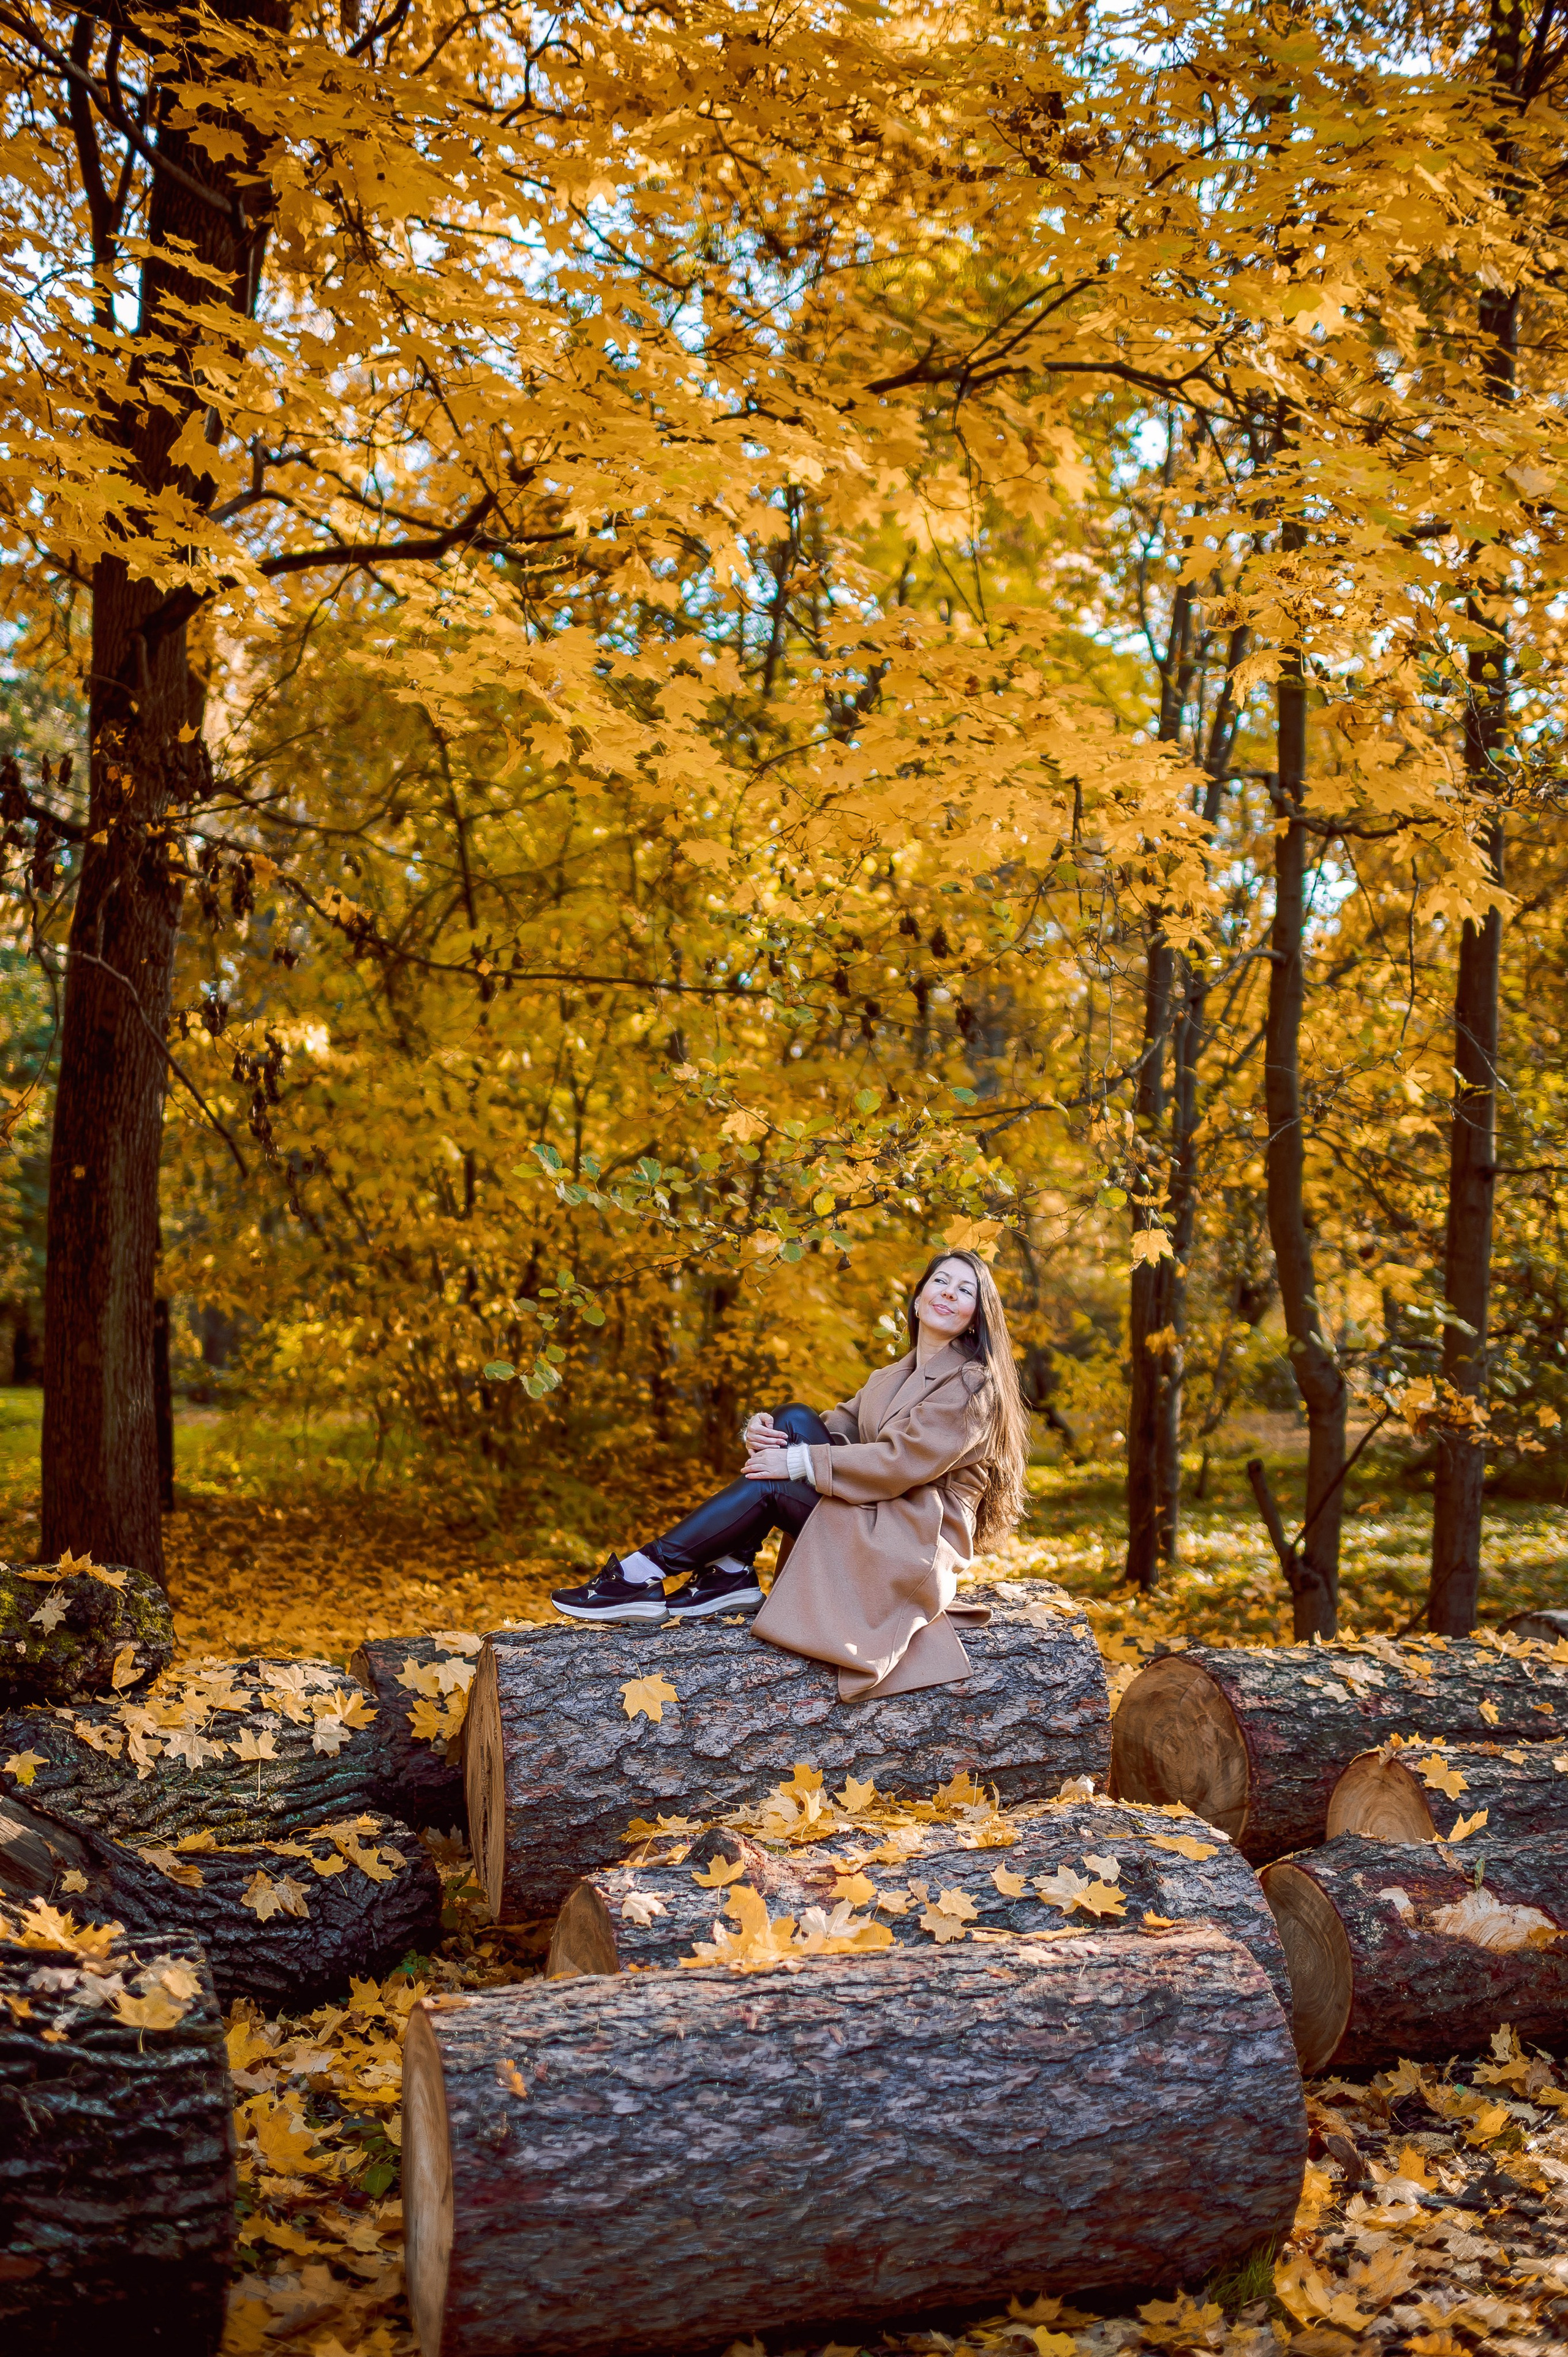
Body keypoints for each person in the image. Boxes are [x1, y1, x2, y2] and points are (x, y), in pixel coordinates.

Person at [549, 1248, 1030, 1699]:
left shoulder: (974, 1384)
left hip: (913, 1536)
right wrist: (760, 1433)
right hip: (882, 1513)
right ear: (917, 1298)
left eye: (964, 1290)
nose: (948, 1292)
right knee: (792, 1416)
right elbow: (828, 1428)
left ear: (976, 1316)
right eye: (940, 1282)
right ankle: (730, 1571)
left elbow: (900, 1461)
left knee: (783, 1474)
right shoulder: (889, 1377)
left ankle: (645, 1573)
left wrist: (796, 1463)